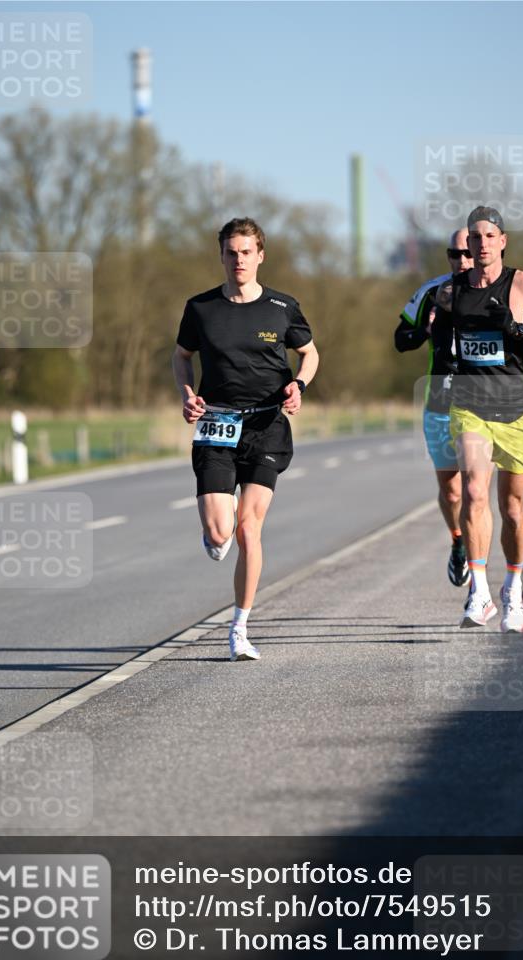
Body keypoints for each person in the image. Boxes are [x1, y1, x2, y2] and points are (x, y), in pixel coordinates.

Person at [172, 217, 319, 661]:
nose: (238, 260)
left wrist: (299, 385)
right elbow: (181, 356)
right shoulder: (200, 308)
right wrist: (186, 393)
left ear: (260, 255)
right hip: (216, 424)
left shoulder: (282, 306)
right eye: (231, 252)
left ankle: (239, 628)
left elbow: (308, 353)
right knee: (220, 534)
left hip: (267, 426)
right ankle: (216, 528)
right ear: (221, 256)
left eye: (246, 252)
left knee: (248, 528)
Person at [435, 206, 523, 631]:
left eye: (490, 236)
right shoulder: (450, 293)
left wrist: (518, 331)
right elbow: (440, 347)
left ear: (503, 241)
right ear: (468, 245)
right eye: (475, 237)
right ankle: (480, 592)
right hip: (470, 405)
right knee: (474, 490)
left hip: (515, 410)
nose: (482, 244)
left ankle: (513, 588)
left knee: (512, 507)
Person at [394, 229, 474, 587]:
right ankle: (458, 539)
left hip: (482, 401)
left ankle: (481, 567)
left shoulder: (501, 289)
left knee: (477, 487)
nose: (462, 261)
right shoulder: (432, 292)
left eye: (467, 253)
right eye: (454, 254)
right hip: (440, 400)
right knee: (453, 491)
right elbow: (400, 339)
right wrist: (424, 332)